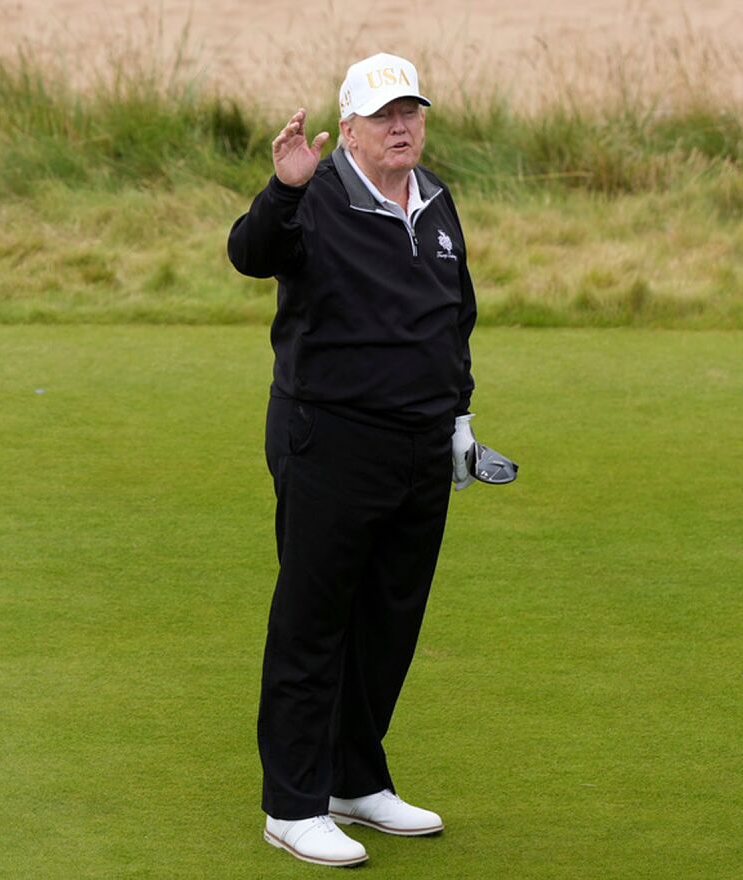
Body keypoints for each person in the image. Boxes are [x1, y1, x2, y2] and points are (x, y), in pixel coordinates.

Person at [228, 51, 488, 868]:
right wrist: (284, 189)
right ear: (350, 129)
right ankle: (292, 804)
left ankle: (353, 778)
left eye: (411, 110)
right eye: (384, 116)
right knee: (313, 623)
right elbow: (249, 251)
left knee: (389, 623)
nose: (402, 125)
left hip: (421, 445)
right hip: (328, 440)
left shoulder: (438, 200)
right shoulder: (316, 198)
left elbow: (455, 319)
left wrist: (462, 419)